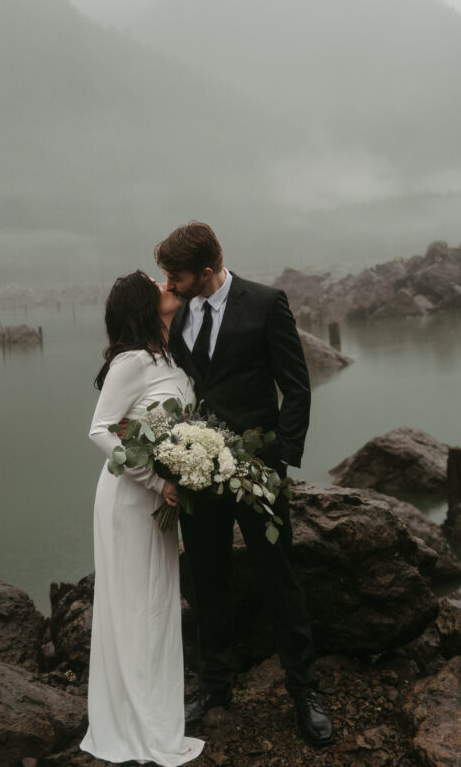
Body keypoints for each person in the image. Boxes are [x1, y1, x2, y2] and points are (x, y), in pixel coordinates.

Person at [155, 222, 334, 747]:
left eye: (178, 275)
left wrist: (279, 457)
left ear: (207, 272)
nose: (170, 283)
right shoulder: (176, 312)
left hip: (258, 472)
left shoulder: (266, 303)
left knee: (278, 579)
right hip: (197, 474)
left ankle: (305, 692)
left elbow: (296, 387)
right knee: (207, 581)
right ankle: (215, 688)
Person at [79, 271, 205, 767]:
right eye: (156, 284)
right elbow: (99, 431)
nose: (166, 287)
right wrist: (157, 480)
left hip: (160, 501)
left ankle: (155, 714)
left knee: (157, 603)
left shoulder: (168, 357)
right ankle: (132, 725)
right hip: (131, 499)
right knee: (134, 605)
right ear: (142, 304)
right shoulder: (131, 362)